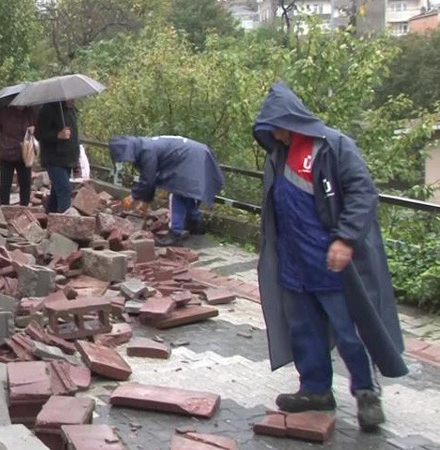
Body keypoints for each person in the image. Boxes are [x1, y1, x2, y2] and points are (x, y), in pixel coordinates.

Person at [252, 82, 408, 432]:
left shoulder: (333, 146)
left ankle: (366, 392)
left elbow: (363, 192)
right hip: (294, 261)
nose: (274, 132)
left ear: (291, 120)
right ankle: (315, 389)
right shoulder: (278, 154)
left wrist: (346, 238)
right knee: (303, 329)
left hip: (331, 262)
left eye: (277, 124)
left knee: (349, 331)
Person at [108, 135, 224, 246]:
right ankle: (196, 226)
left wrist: (134, 196)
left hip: (190, 157)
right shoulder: (146, 145)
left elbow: (148, 180)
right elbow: (149, 180)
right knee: (187, 193)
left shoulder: (146, 152)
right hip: (199, 153)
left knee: (177, 193)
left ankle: (174, 234)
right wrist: (144, 198)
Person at [0, 105, 37, 206]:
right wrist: (1, 145)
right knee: (5, 183)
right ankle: (4, 208)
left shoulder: (30, 112)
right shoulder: (4, 111)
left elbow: (38, 130)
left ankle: (24, 209)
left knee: (25, 183)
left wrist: (34, 129)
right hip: (7, 153)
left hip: (25, 153)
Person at [36, 100, 79, 213]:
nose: (73, 100)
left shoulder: (72, 110)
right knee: (65, 189)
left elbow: (75, 138)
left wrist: (76, 161)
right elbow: (39, 133)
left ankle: (49, 216)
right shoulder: (48, 109)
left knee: (56, 191)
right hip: (53, 159)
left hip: (68, 158)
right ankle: (63, 224)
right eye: (70, 98)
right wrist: (57, 135)